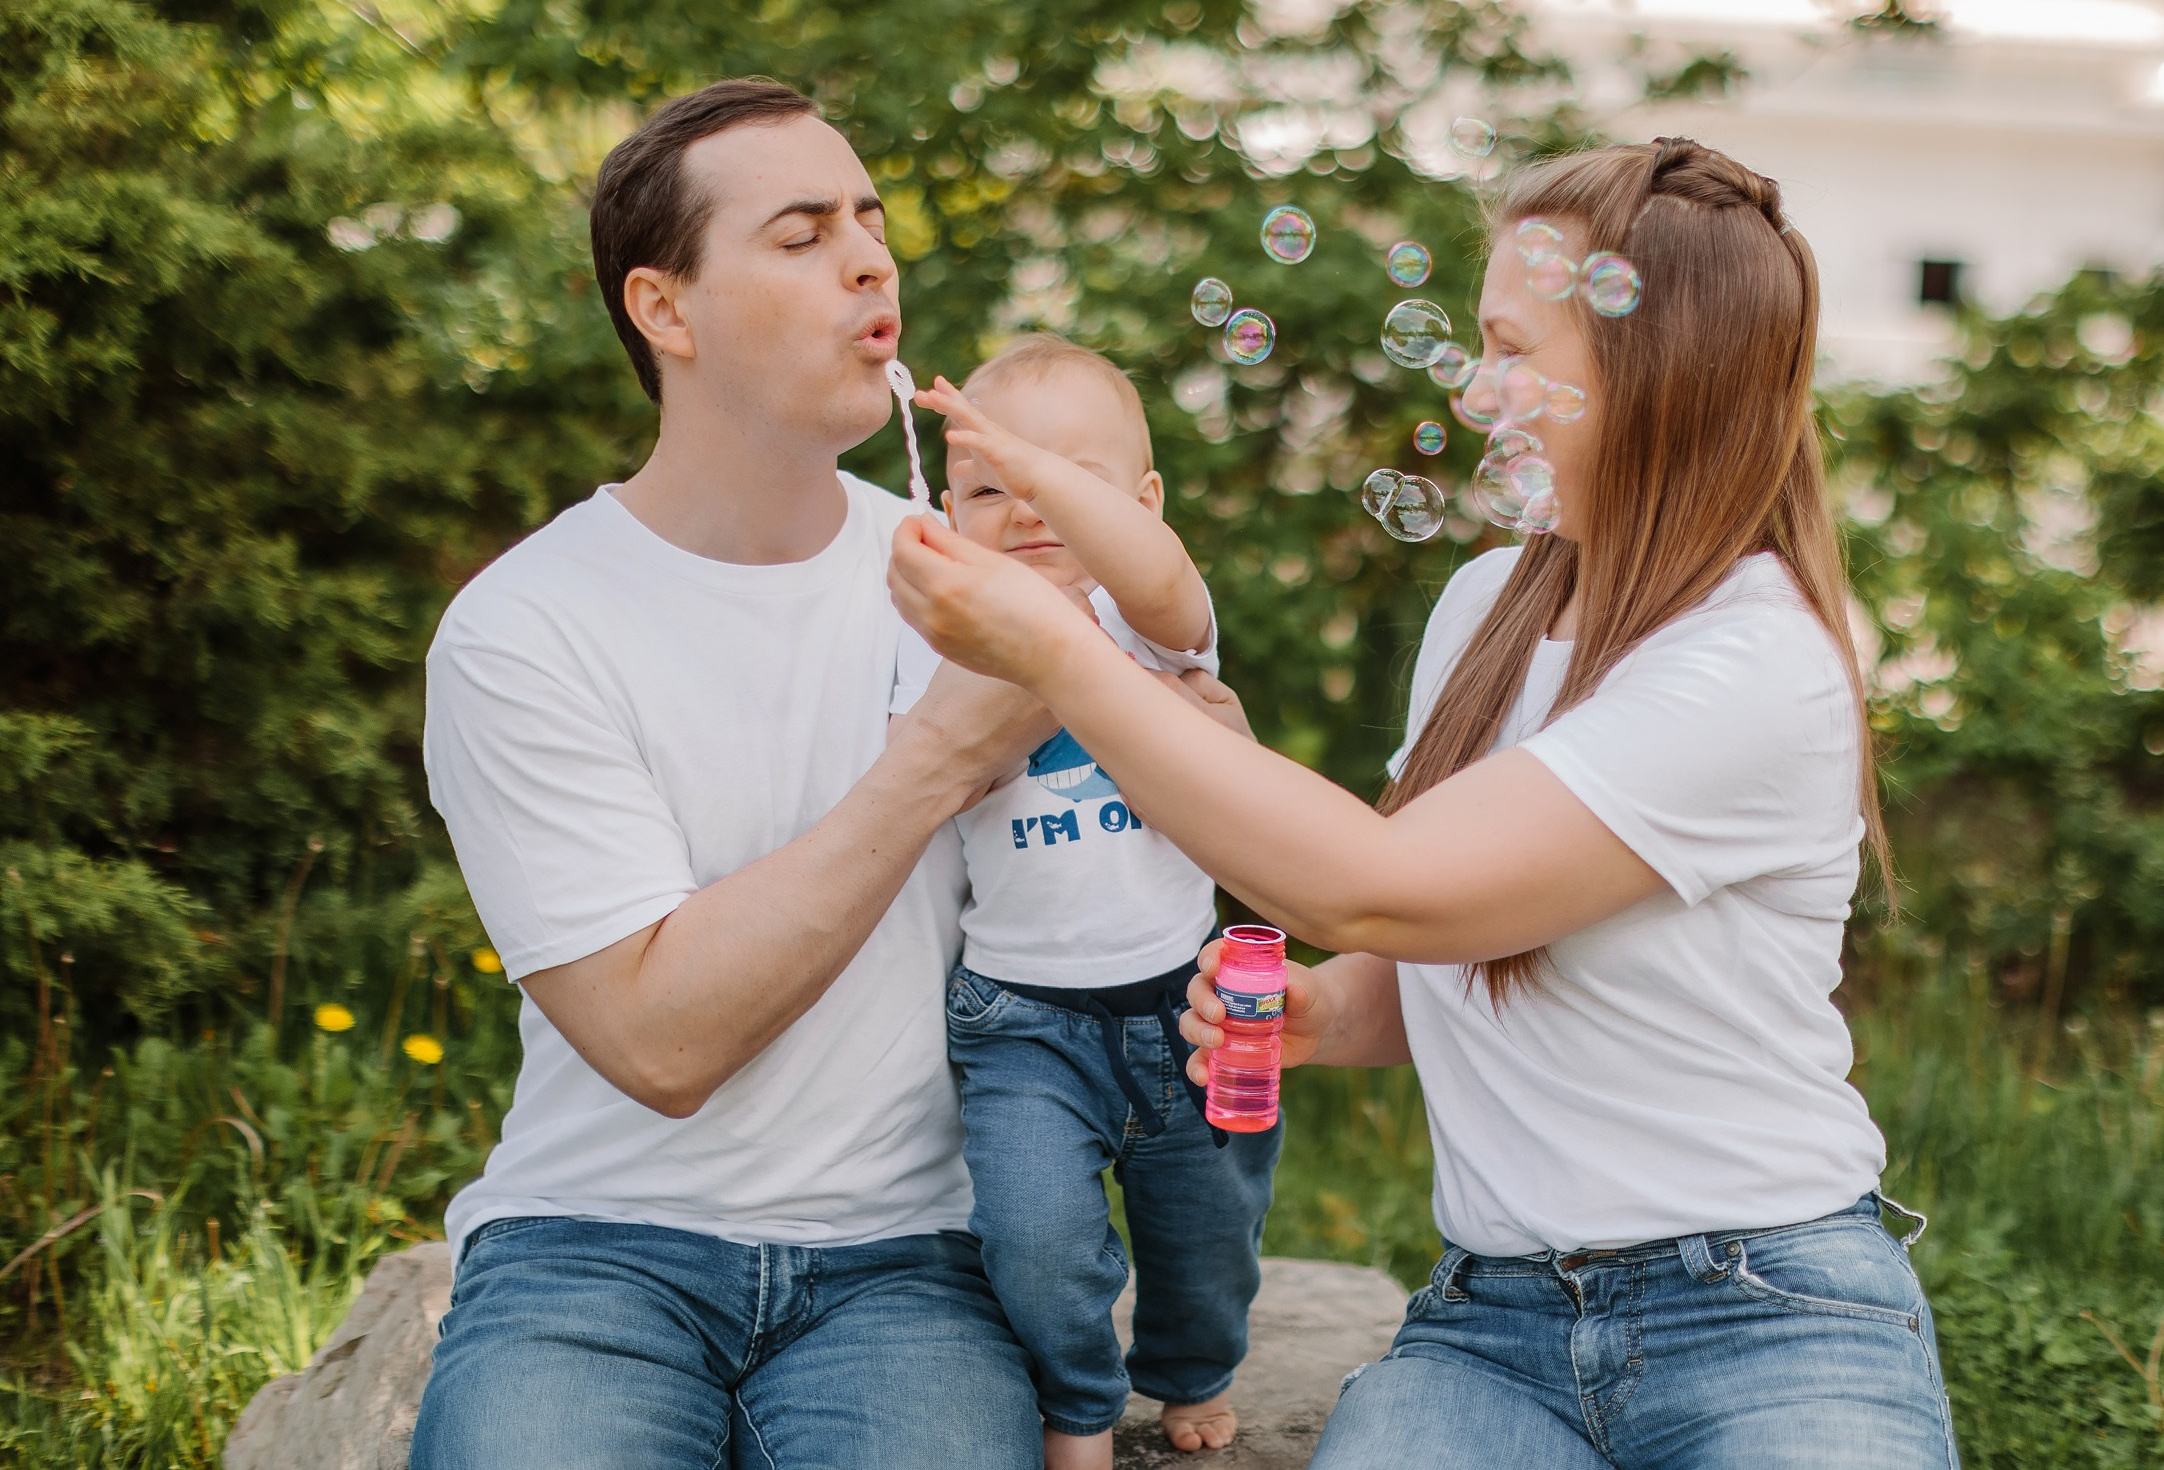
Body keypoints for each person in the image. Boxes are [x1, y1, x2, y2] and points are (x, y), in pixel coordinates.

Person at [887, 139, 1962, 1469]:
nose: (1475, 381)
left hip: (1766, 1305)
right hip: (1495, 1319)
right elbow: (1428, 938)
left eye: (1515, 348)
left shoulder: (1752, 657)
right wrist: (1320, 1010)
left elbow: (1380, 882)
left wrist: (1058, 653)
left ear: (1654, 370)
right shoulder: (1484, 609)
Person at [411, 77, 1228, 1469]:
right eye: (801, 235)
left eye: (874, 222)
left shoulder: (979, 573)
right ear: (663, 309)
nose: (869, 259)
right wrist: (940, 757)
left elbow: (1178, 799)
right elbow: (657, 1040)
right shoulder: (524, 626)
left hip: (905, 1261)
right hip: (593, 1246)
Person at [891, 338, 1281, 1467]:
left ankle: (1190, 1369)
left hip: (1184, 1003)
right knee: (1032, 1237)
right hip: (1021, 1019)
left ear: (1145, 505)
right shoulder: (941, 644)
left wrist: (1028, 468)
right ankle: (1075, 1402)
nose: (1027, 505)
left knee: (1208, 1231)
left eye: (1067, 476)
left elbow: (1156, 574)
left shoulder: (1154, 625)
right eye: (988, 486)